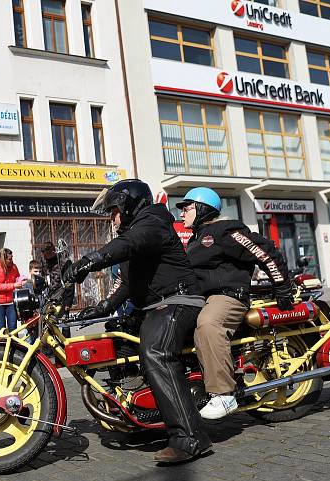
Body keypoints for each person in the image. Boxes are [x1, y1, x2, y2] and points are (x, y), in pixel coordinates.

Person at [67, 179, 212, 464]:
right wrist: (102, 307)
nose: (112, 217)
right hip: (156, 304)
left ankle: (190, 438)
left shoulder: (152, 221)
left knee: (155, 352)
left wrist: (89, 261)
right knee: (117, 336)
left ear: (129, 205)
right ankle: (142, 410)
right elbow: (129, 284)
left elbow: (128, 243)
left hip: (178, 301)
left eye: (114, 210)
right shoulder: (138, 230)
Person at [178, 187, 294, 420]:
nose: (181, 214)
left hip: (228, 295)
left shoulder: (224, 231)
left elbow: (265, 252)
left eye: (186, 208)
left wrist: (282, 286)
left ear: (202, 209)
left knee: (209, 325)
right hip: (202, 298)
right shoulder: (196, 239)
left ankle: (223, 394)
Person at [0, 248, 25, 332]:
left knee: (13, 329)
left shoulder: (14, 266)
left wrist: (21, 281)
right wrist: (13, 285)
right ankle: (3, 345)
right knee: (1, 330)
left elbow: (17, 278)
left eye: (12, 258)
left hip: (11, 302)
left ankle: (14, 345)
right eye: (9, 259)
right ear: (3, 259)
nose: (11, 260)